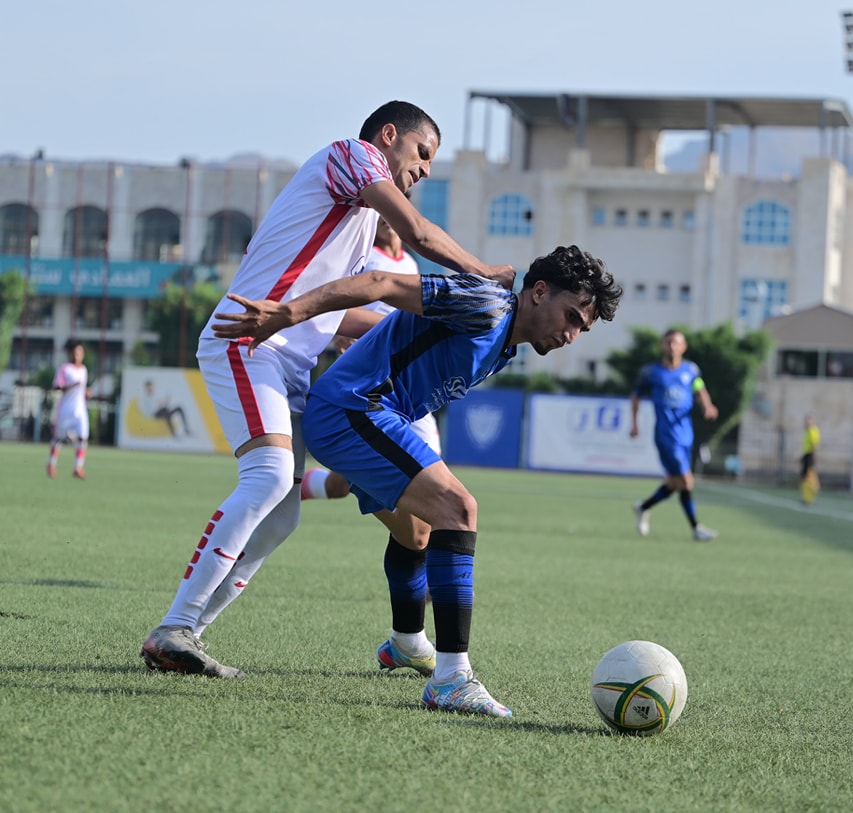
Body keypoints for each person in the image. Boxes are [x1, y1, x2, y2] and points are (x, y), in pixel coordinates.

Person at [139, 100, 513, 679]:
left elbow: (347, 311)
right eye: (421, 154)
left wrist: (433, 328)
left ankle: (182, 633)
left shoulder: (358, 222)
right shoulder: (352, 156)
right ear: (388, 137)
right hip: (249, 338)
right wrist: (484, 276)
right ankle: (173, 630)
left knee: (284, 516)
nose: (425, 170)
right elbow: (416, 233)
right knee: (266, 479)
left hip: (285, 357)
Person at [212, 244, 622, 716]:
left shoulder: (507, 342)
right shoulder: (486, 304)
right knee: (459, 508)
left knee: (420, 529)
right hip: (353, 408)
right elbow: (381, 285)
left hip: (372, 414)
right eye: (571, 316)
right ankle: (451, 680)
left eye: (581, 329)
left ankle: (406, 641)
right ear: (539, 291)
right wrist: (288, 314)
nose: (571, 334)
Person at [300, 216, 442, 501]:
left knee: (342, 485)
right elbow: (333, 305)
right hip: (367, 373)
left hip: (407, 374)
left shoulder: (410, 264)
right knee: (428, 482)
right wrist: (341, 334)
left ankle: (300, 487)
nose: (388, 219)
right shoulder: (364, 257)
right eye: (382, 211)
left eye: (396, 210)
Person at [628, 329, 718, 541]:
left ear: (683, 347)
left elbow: (699, 388)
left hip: (686, 434)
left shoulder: (690, 370)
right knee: (686, 482)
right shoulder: (651, 373)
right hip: (665, 435)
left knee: (675, 484)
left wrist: (707, 405)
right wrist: (634, 424)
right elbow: (635, 396)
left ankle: (643, 507)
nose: (672, 347)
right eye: (668, 342)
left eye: (676, 343)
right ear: (662, 345)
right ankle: (696, 528)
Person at [47, 338, 91, 479]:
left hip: (80, 410)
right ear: (71, 353)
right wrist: (71, 386)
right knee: (58, 439)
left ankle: (78, 467)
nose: (77, 354)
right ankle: (51, 464)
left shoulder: (84, 370)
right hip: (66, 409)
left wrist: (86, 393)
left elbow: (81, 389)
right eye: (75, 352)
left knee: (82, 438)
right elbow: (57, 386)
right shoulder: (65, 369)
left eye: (80, 352)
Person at [800, 414, 821, 506]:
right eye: (806, 420)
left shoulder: (812, 430)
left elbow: (814, 444)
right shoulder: (807, 431)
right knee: (804, 477)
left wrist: (810, 456)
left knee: (809, 477)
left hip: (810, 456)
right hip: (806, 455)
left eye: (809, 420)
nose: (807, 422)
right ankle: (806, 498)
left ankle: (811, 494)